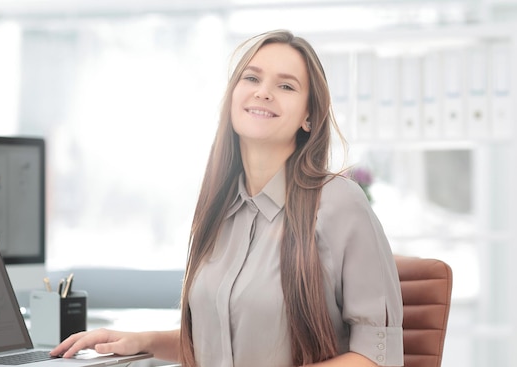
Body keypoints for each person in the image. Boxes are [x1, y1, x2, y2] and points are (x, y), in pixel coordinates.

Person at [50, 29, 404, 367]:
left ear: (309, 116)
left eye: (285, 85)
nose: (263, 93)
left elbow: (377, 357)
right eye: (251, 78)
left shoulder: (338, 203)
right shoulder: (221, 212)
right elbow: (222, 346)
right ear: (233, 96)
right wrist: (144, 341)